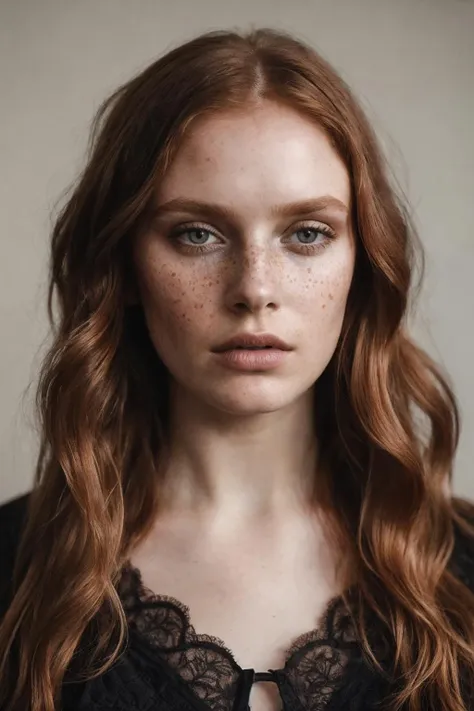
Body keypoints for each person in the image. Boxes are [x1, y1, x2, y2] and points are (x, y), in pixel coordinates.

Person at [0, 26, 473, 711]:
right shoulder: (16, 577)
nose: (255, 287)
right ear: (126, 264)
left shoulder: (459, 575)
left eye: (307, 233)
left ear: (362, 260)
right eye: (198, 233)